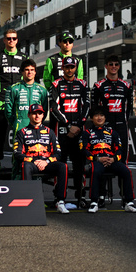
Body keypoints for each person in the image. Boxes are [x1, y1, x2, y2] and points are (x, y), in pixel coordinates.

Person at [49, 56, 91, 207]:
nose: (69, 70)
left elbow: (87, 106)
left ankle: (81, 196)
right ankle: (59, 196)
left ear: (75, 68)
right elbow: (53, 108)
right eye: (66, 67)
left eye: (72, 67)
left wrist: (78, 126)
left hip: (79, 130)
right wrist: (68, 125)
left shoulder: (83, 84)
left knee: (80, 164)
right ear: (62, 68)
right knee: (60, 164)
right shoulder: (56, 84)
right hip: (62, 131)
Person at [82, 107, 136, 213]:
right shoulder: (87, 133)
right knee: (96, 170)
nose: (99, 118)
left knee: (126, 171)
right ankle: (94, 202)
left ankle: (129, 202)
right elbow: (84, 150)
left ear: (105, 117)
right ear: (91, 118)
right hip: (96, 160)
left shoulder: (112, 132)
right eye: (96, 115)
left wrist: (113, 159)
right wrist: (97, 158)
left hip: (111, 160)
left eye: (102, 115)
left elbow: (119, 149)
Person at [0, 28, 29, 172]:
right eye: (8, 38)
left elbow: (27, 77)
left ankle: (23, 159)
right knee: (0, 132)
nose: (11, 41)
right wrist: (1, 91)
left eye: (14, 38)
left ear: (17, 40)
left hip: (20, 100)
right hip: (2, 100)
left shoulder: (24, 57)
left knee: (22, 131)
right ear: (4, 40)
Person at [15, 103, 69, 213]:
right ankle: (29, 200)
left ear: (43, 115)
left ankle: (60, 201)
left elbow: (58, 153)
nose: (37, 116)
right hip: (32, 163)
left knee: (63, 166)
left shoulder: (50, 132)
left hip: (47, 163)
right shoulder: (22, 132)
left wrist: (46, 161)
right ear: (29, 115)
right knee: (25, 166)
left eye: (40, 113)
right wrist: (35, 161)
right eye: (34, 113)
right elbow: (18, 154)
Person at [91, 54, 134, 160]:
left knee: (122, 154)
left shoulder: (126, 86)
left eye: (116, 64)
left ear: (119, 66)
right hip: (105, 126)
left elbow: (130, 106)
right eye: (111, 64)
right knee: (105, 154)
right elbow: (94, 107)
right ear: (106, 66)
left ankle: (122, 175)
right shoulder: (99, 86)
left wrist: (125, 120)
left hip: (121, 125)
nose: (113, 67)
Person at [7, 58, 50, 146]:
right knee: (18, 153)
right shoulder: (14, 88)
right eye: (27, 70)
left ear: (35, 72)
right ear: (22, 72)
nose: (29, 72)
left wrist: (37, 121)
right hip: (19, 126)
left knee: (36, 152)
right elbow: (8, 111)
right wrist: (16, 123)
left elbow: (45, 110)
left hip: (37, 127)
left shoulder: (42, 90)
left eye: (32, 70)